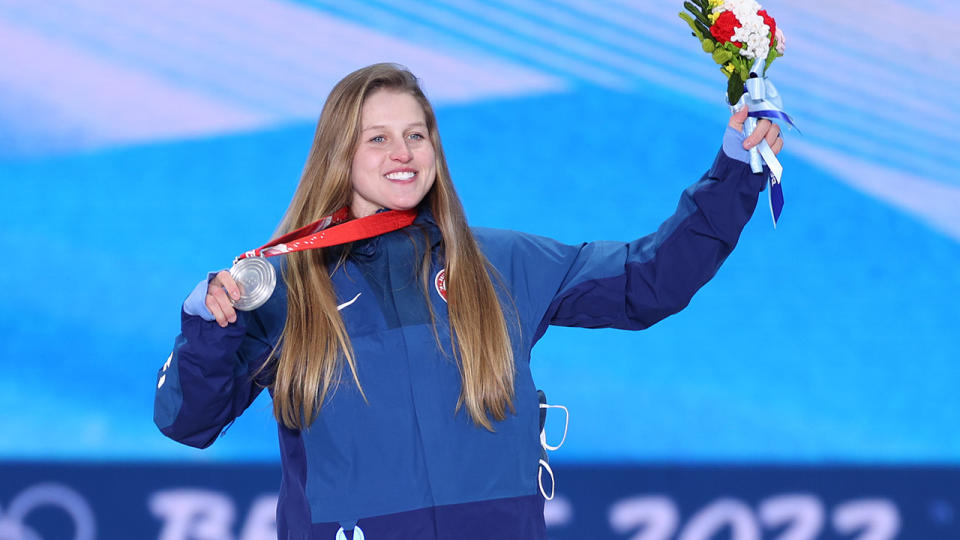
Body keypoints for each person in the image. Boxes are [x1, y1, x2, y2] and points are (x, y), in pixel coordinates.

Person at [153, 63, 783, 539]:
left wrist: (735, 172)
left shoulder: (500, 264)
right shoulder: (285, 285)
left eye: (416, 134)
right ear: (339, 155)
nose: (402, 153)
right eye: (377, 139)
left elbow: (650, 282)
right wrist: (209, 327)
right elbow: (188, 421)